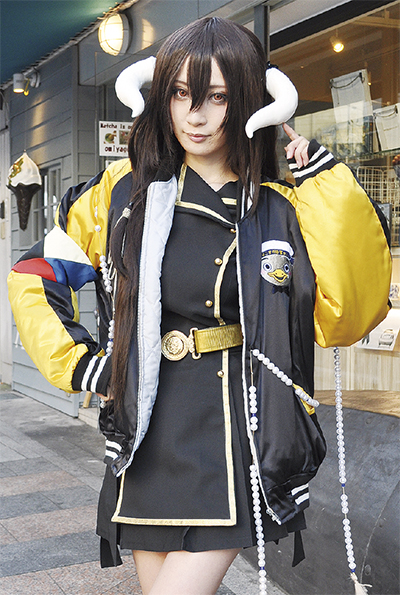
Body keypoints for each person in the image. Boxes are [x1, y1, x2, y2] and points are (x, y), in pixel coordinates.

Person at [8, 16, 391, 595]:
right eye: (181, 94)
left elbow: (350, 312)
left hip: (233, 427)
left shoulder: (280, 206)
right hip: (146, 426)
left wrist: (326, 184)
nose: (196, 115)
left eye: (217, 97)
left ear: (247, 103)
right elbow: (35, 272)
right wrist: (85, 365)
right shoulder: (123, 192)